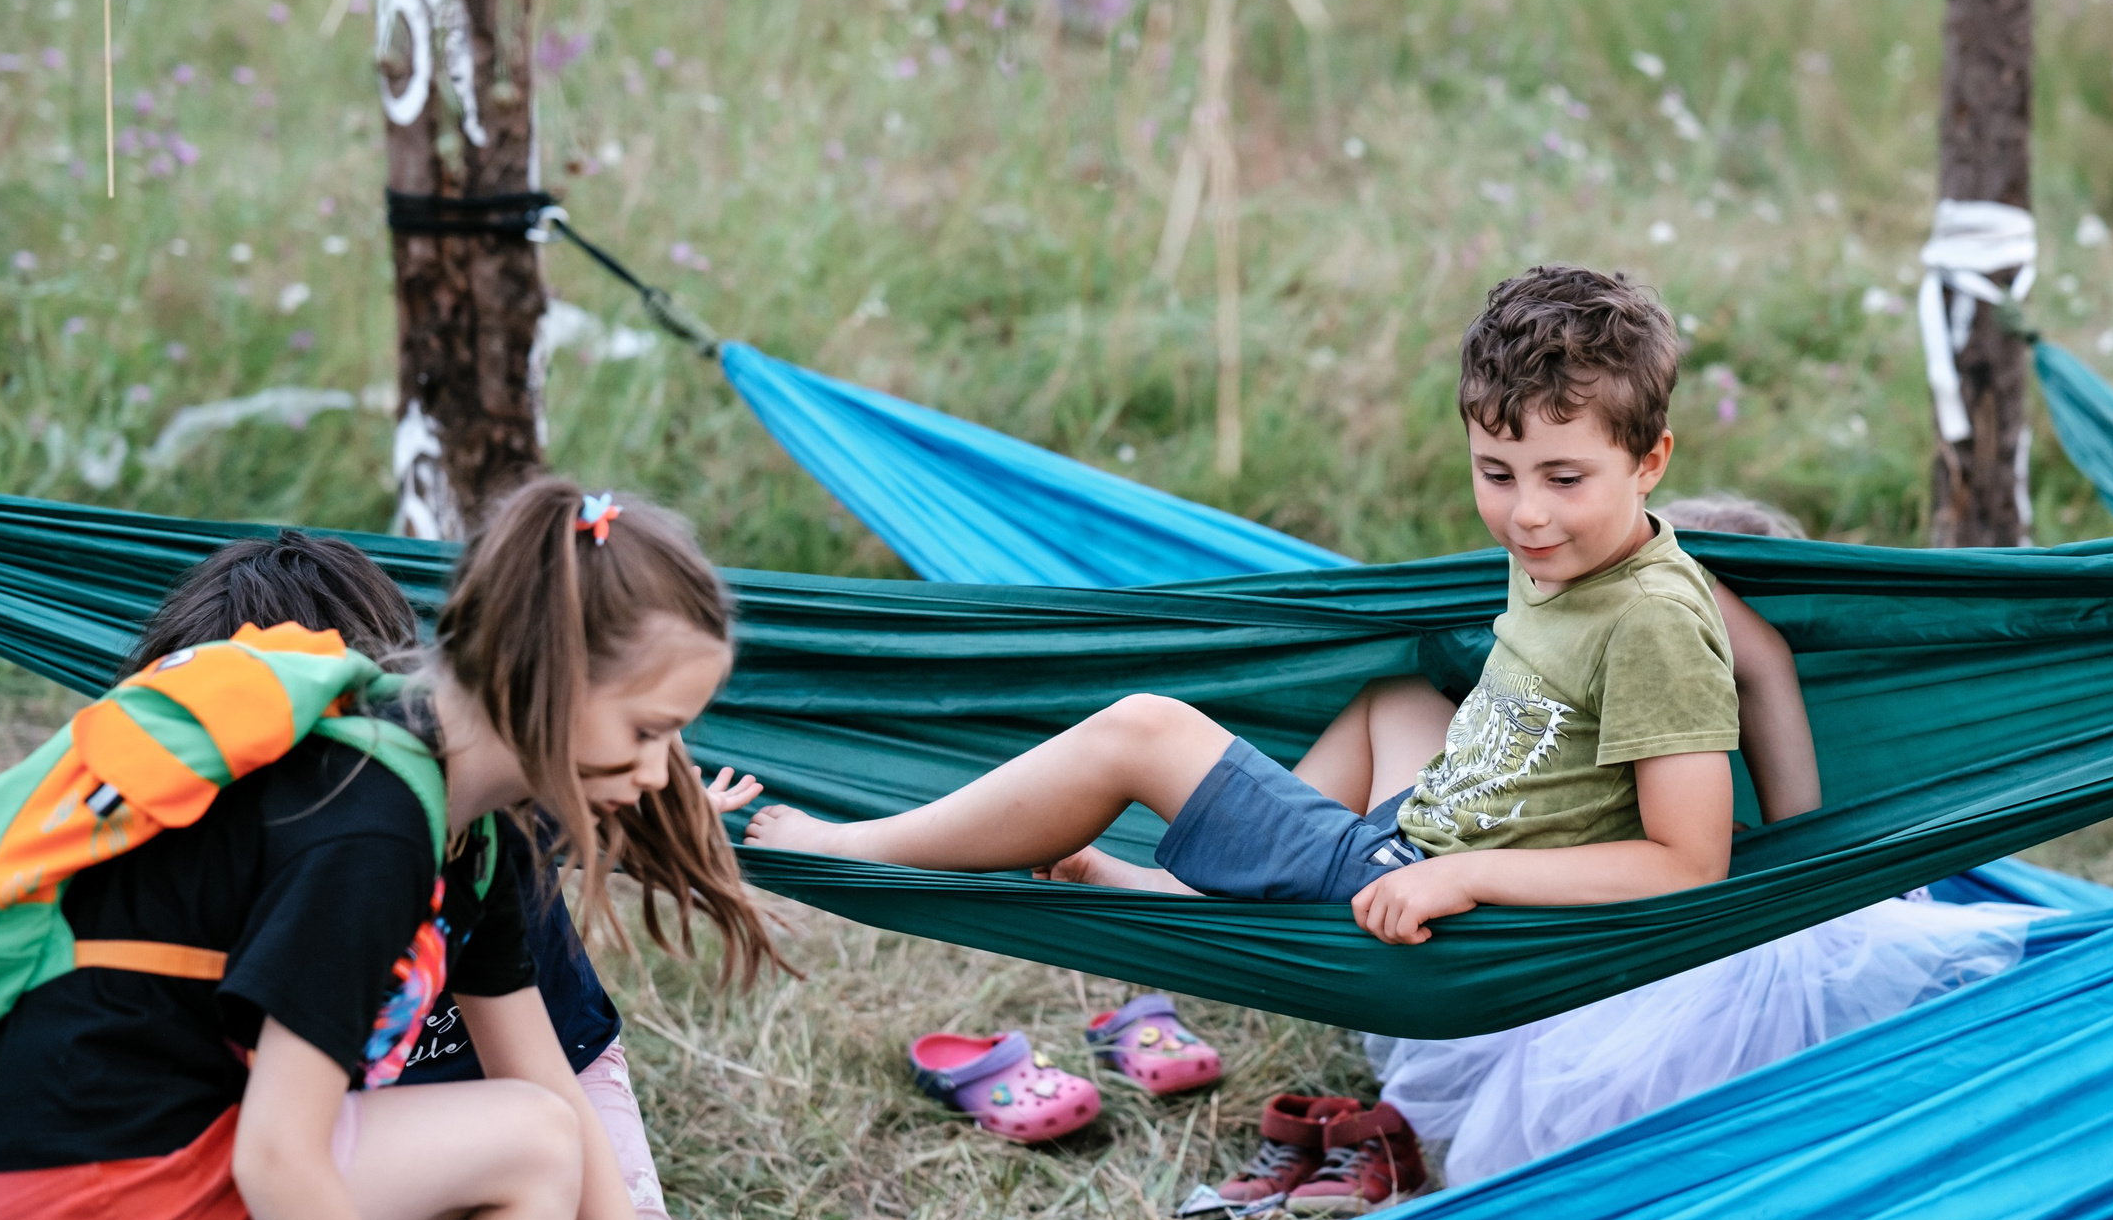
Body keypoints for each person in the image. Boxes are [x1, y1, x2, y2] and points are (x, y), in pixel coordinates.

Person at [747, 265, 1778, 946]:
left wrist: (1464, 882)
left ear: (1651, 464)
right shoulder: (1600, 549)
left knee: (1141, 730)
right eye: (1495, 472)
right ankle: (1203, 898)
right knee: (1396, 700)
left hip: (1429, 885)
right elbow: (1763, 659)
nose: (1524, 516)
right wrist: (1810, 829)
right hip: (1436, 828)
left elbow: (1687, 864)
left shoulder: (1649, 618)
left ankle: (854, 848)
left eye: (1562, 478)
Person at [0, 481, 780, 1220]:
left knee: (535, 1128)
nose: (660, 773)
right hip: (88, 1208)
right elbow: (277, 1157)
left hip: (79, 1208)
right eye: (643, 730)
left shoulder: (476, 828)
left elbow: (548, 1076)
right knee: (527, 1146)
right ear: (543, 679)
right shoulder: (374, 822)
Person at [1368, 493, 2051, 1188]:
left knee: (1392, 710)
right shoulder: (1602, 680)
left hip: (1662, 979)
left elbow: (1763, 671)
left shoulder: (1657, 620)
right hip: (1615, 945)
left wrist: (1797, 856)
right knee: (1394, 710)